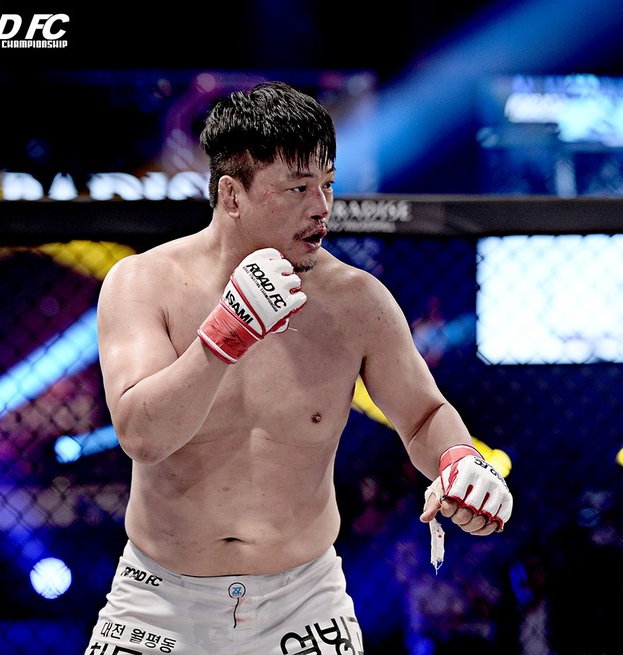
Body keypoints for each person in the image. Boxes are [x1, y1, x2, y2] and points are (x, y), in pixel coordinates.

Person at [83, 81, 513, 655]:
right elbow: (143, 436)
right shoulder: (144, 283)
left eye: (328, 185)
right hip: (160, 599)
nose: (322, 207)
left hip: (303, 604)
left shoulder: (356, 301)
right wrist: (223, 338)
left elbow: (423, 415)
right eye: (298, 188)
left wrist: (459, 461)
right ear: (232, 195)